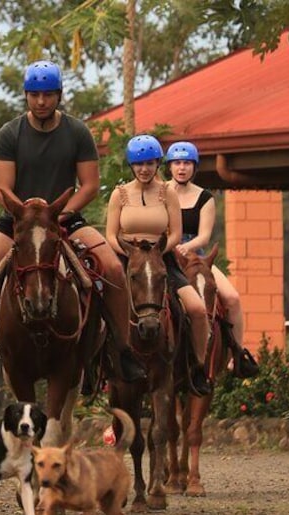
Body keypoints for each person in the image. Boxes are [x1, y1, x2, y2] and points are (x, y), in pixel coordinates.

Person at [0, 60, 147, 394]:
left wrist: (60, 214)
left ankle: (121, 350)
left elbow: (90, 185)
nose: (41, 101)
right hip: (18, 220)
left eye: (48, 94)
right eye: (35, 95)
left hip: (64, 217)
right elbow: (3, 190)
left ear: (59, 95)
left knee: (112, 269)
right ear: (26, 96)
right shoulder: (9, 134)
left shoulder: (77, 132)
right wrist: (30, 216)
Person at [105, 134, 212, 396]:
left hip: (160, 258)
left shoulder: (167, 193)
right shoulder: (119, 195)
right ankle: (92, 370)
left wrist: (156, 252)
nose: (144, 169)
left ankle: (197, 367)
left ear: (157, 165)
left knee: (197, 309)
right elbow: (110, 234)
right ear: (132, 166)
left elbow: (175, 233)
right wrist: (130, 254)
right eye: (139, 164)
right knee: (98, 304)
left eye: (150, 164)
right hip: (126, 258)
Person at [165, 141, 258, 378]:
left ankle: (237, 354)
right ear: (170, 166)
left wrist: (186, 247)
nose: (182, 168)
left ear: (194, 168)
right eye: (177, 163)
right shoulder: (159, 192)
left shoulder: (204, 197)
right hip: (165, 256)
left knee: (232, 297)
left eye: (187, 163)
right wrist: (171, 247)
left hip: (197, 258)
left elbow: (205, 236)